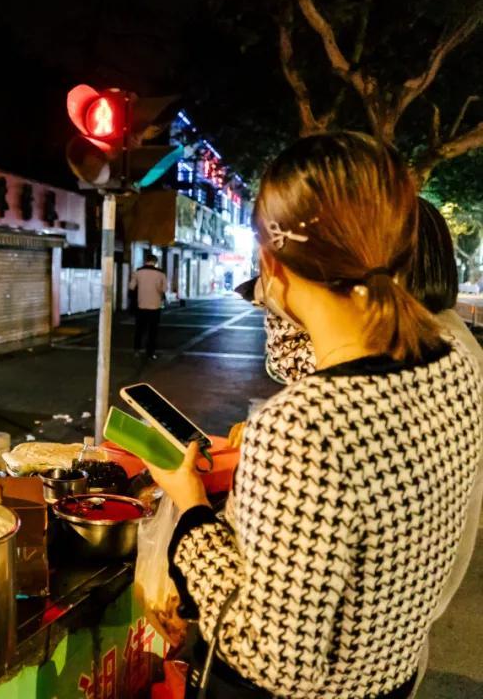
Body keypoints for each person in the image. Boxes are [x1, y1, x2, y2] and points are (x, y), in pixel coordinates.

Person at [144, 133, 483, 698]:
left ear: (271, 263)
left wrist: (191, 511)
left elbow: (273, 661)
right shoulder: (456, 365)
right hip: (391, 680)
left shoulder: (307, 424)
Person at [257, 197, 483, 696]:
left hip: (345, 669)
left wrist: (192, 522)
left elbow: (278, 657)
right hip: (400, 646)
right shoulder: (451, 355)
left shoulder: (308, 419)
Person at [129, 253, 167, 359]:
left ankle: (136, 350)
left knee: (139, 329)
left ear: (145, 261)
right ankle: (150, 353)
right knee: (153, 331)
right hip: (155, 306)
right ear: (155, 262)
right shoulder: (161, 274)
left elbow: (131, 287)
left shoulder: (138, 272)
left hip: (141, 306)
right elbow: (164, 290)